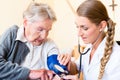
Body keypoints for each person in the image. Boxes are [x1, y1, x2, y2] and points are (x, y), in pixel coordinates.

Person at [58, 0, 120, 80]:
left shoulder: (116, 57)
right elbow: (77, 68)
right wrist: (68, 63)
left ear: (101, 26)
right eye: (77, 27)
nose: (79, 34)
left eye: (85, 28)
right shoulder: (89, 48)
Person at [0, 2, 59, 80]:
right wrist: (29, 73)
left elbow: (57, 68)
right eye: (40, 29)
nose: (44, 36)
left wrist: (65, 65)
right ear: (26, 23)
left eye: (48, 31)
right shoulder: (12, 34)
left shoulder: (50, 44)